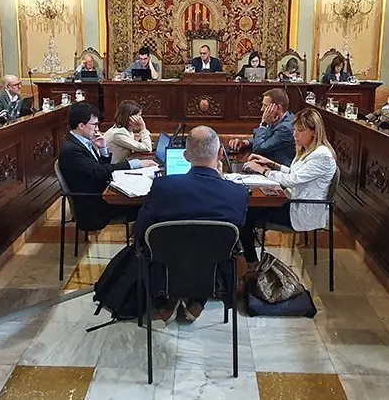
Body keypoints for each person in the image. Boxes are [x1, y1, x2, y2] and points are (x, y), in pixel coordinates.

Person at [134, 125, 249, 322]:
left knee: (153, 246)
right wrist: (221, 180)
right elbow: (238, 228)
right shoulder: (237, 193)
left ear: (186, 156)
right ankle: (197, 301)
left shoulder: (163, 187)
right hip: (213, 266)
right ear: (221, 154)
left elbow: (141, 231)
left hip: (167, 262)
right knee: (211, 244)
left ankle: (164, 301)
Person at [240, 109, 338, 264]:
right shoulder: (309, 150)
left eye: (300, 131)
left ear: (314, 131)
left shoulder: (322, 155)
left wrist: (263, 170)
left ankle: (251, 263)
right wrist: (270, 163)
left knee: (245, 216)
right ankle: (248, 258)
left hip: (302, 210)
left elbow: (292, 179)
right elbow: (295, 172)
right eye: (294, 130)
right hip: (293, 202)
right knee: (248, 211)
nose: (295, 135)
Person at [58, 103, 157, 231]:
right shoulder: (71, 150)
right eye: (94, 125)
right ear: (81, 125)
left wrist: (103, 149)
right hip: (93, 208)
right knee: (150, 206)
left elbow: (98, 169)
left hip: (100, 195)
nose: (97, 129)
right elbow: (99, 172)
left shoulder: (81, 142)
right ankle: (140, 246)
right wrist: (134, 164)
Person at [228, 88, 296, 167]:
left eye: (265, 106)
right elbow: (266, 139)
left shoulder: (286, 128)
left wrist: (264, 123)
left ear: (278, 108)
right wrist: (245, 142)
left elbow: (259, 149)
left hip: (279, 171)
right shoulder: (276, 118)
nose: (262, 109)